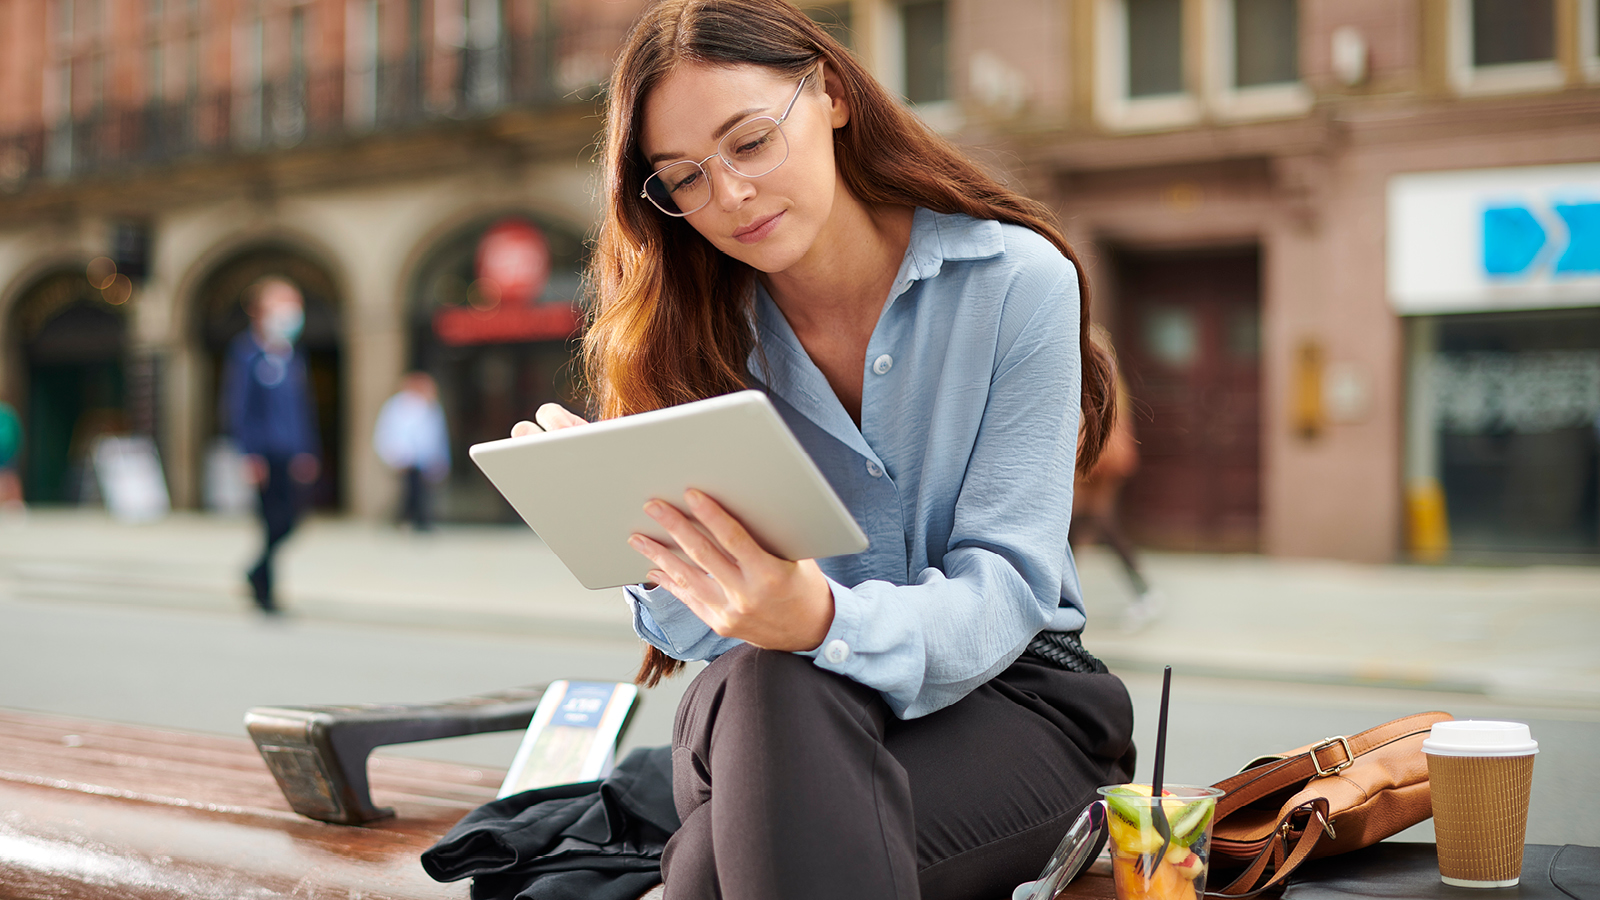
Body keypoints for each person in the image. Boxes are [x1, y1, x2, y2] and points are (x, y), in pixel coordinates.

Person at [512, 2, 1135, 897]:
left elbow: (1009, 588)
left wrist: (821, 621)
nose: (727, 196)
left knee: (711, 867)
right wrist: (647, 544)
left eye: (751, 142)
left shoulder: (1015, 283)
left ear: (833, 95)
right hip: (754, 714)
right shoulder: (687, 334)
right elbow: (694, 634)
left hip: (1009, 704)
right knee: (774, 687)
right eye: (682, 178)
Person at [220, 276, 320, 614]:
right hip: (265, 454)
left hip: (291, 452)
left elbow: (301, 409)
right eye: (285, 304)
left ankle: (256, 572)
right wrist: (249, 454)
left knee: (290, 521)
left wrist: (307, 450)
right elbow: (240, 408)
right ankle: (267, 591)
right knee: (271, 521)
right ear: (262, 310)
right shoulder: (247, 353)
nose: (293, 313)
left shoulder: (292, 355)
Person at [1070, 363, 1164, 633]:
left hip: (1098, 458)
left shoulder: (1091, 363)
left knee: (1095, 522)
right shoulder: (1104, 365)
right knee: (1081, 525)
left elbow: (1093, 415)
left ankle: (1144, 593)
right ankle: (1060, 596)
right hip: (1101, 455)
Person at [373, 371, 451, 531]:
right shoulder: (398, 406)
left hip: (425, 460)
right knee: (408, 492)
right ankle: (403, 520)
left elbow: (437, 436)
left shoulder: (431, 407)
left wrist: (441, 460)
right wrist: (393, 455)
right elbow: (387, 432)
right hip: (405, 458)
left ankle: (418, 522)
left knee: (422, 493)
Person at [0, 398, 22, 514]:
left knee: (10, 479)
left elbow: (17, 433)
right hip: (7, 456)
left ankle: (15, 507)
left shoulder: (7, 413)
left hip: (8, 457)